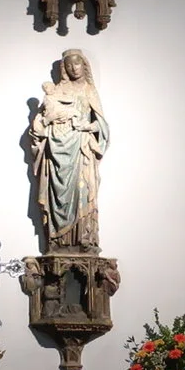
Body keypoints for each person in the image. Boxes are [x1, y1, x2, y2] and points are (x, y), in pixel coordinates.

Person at [29, 49, 110, 253]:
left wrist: (87, 126)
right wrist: (47, 122)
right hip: (57, 148)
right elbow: (40, 123)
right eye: (69, 65)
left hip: (81, 149)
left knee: (83, 191)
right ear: (64, 68)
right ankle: (57, 241)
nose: (74, 68)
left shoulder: (89, 90)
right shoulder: (56, 91)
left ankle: (84, 239)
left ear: (84, 65)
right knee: (58, 196)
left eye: (77, 63)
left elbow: (102, 126)